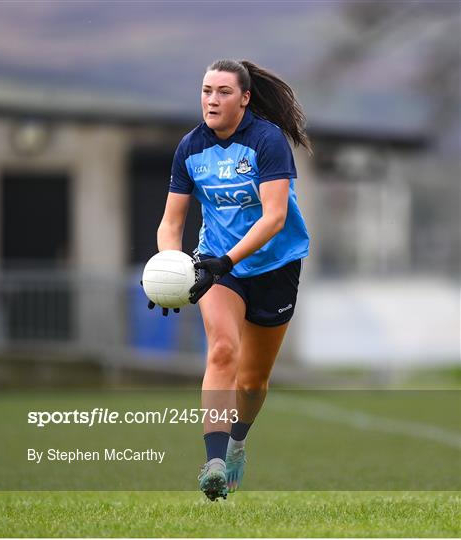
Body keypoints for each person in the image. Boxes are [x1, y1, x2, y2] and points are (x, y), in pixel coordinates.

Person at [148, 59, 311, 501]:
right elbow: (171, 222)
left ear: (244, 98)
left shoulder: (266, 141)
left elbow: (275, 217)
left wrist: (227, 260)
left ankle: (238, 441)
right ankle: (214, 461)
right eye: (206, 90)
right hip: (219, 268)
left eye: (223, 91)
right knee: (222, 349)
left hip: (275, 265)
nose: (212, 99)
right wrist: (172, 268)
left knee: (253, 382)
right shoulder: (190, 148)